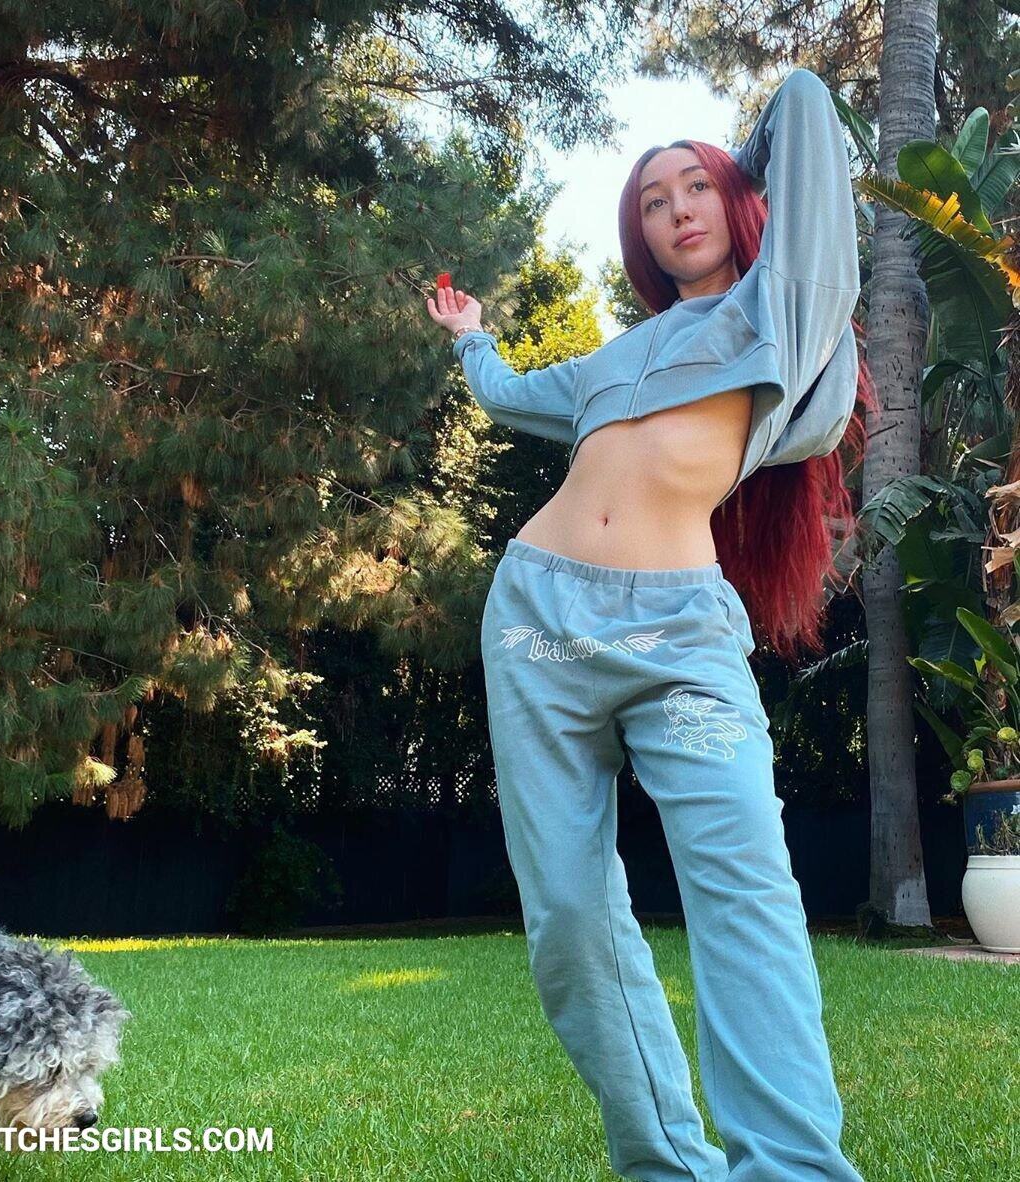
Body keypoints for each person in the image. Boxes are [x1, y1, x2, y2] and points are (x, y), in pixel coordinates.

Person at [426, 68, 873, 1182]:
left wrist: (739, 161)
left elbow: (806, 104)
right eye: (653, 201)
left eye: (695, 188)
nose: (676, 210)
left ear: (736, 197)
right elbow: (505, 394)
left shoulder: (780, 307)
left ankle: (792, 1170)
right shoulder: (611, 360)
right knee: (568, 921)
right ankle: (668, 1163)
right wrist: (471, 337)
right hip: (535, 620)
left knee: (746, 895)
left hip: (681, 636)